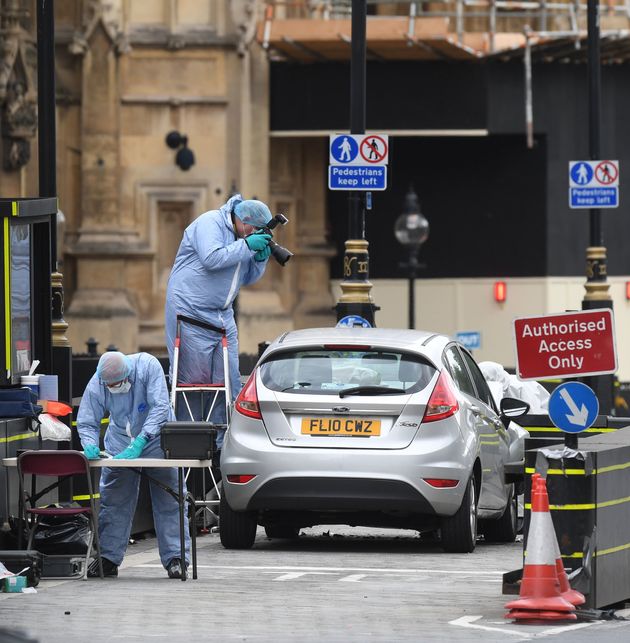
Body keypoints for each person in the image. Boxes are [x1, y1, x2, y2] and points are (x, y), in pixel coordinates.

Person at [165, 194, 273, 450]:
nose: (255, 234)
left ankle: (221, 446)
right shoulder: (210, 223)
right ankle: (190, 445)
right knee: (193, 384)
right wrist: (248, 247)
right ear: (245, 222)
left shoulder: (241, 237)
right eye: (256, 230)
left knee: (229, 383)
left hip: (222, 316)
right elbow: (211, 259)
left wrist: (259, 259)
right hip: (190, 312)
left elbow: (244, 278)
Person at [77, 351, 191, 579]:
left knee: (169, 497)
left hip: (157, 438)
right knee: (114, 498)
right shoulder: (98, 381)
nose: (113, 387)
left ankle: (176, 558)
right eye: (109, 385)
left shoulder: (148, 367)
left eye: (117, 383)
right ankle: (108, 558)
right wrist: (89, 444)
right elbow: (88, 419)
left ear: (128, 376)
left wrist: (142, 440)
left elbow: (160, 407)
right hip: (119, 442)